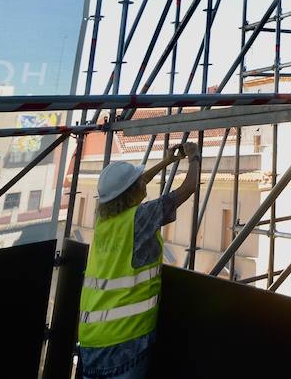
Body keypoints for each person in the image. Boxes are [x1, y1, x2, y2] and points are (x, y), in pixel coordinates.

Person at [77, 141, 202, 378]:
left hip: (91, 341)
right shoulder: (140, 218)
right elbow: (188, 188)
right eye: (137, 182)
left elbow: (134, 184)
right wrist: (194, 157)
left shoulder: (105, 221)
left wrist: (166, 162)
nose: (142, 182)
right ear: (130, 191)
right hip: (126, 340)